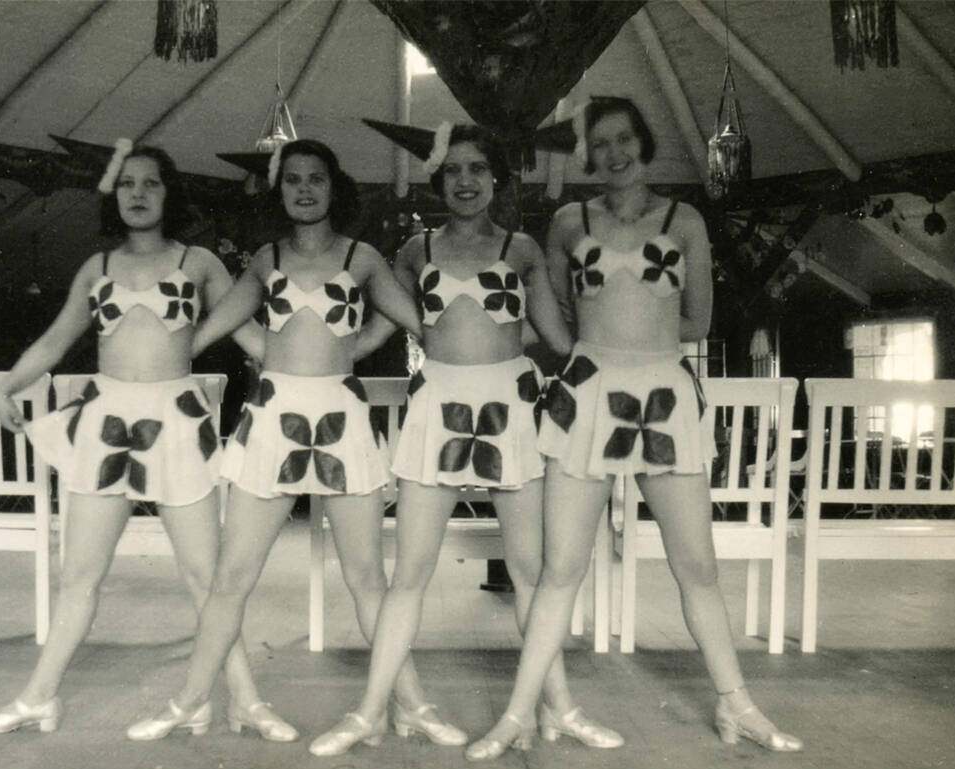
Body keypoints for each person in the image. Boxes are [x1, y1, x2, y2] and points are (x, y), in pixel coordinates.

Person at [465, 98, 802, 759]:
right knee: (561, 568)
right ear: (588, 154)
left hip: (664, 397)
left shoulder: (684, 221)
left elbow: (698, 320)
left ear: (644, 146)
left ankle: (739, 705)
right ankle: (518, 715)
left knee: (696, 564)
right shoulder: (569, 221)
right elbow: (555, 313)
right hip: (588, 396)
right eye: (602, 143)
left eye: (625, 139)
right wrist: (591, 355)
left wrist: (641, 350)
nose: (614, 152)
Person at [124, 138, 462, 745]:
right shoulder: (265, 258)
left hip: (342, 417)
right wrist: (167, 362)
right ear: (281, 192)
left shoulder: (361, 259)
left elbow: (414, 318)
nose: (304, 189)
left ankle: (411, 705)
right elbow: (219, 323)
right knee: (233, 577)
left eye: (316, 179)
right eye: (293, 180)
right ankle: (189, 701)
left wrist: (361, 348)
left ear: (334, 188)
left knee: (367, 579)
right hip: (274, 418)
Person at [309, 124, 624, 756]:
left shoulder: (523, 248)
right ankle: (374, 710)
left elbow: (557, 337)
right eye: (453, 170)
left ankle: (559, 708)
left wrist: (621, 343)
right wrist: (319, 364)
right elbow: (382, 328)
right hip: (437, 405)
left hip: (511, 404)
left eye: (478, 169)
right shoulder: (414, 250)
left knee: (533, 571)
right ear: (437, 180)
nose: (466, 181)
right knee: (411, 572)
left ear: (497, 180)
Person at [0, 141, 287, 739]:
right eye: (128, 184)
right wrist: (7, 386)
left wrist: (304, 378)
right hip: (104, 423)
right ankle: (39, 696)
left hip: (177, 424)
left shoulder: (198, 263)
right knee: (80, 575)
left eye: (151, 184)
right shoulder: (98, 268)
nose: (138, 194)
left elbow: (250, 338)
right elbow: (55, 340)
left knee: (206, 577)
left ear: (170, 194)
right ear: (115, 196)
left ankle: (244, 700)